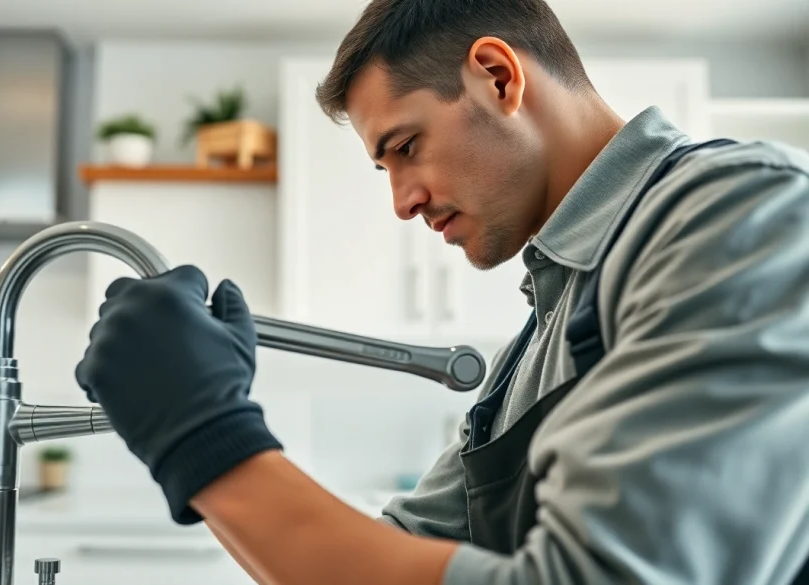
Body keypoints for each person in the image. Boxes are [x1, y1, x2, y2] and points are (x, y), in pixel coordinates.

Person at [74, 0, 809, 583]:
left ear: (497, 76)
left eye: (404, 147)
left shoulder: (739, 212)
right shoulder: (545, 331)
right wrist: (190, 413)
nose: (401, 201)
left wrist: (204, 433)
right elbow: (391, 552)